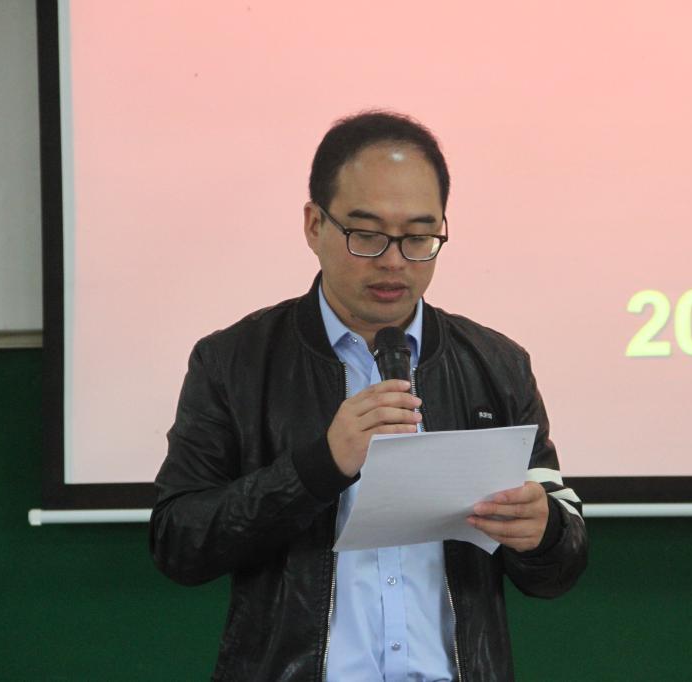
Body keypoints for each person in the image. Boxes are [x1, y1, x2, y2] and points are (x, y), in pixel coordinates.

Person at [150, 111, 588, 681]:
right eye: (366, 234)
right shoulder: (234, 361)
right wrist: (319, 466)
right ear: (314, 225)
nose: (393, 260)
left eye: (419, 237)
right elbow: (179, 543)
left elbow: (560, 566)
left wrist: (544, 532)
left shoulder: (496, 365)